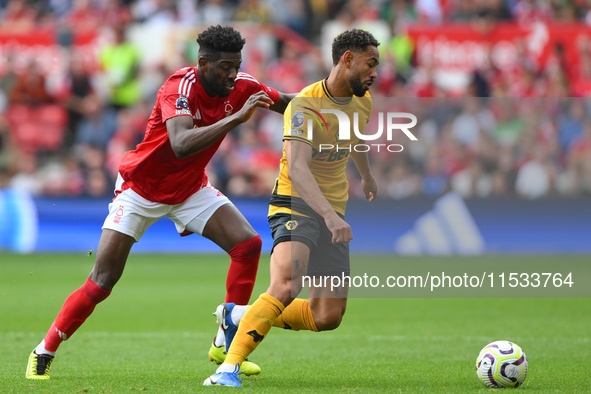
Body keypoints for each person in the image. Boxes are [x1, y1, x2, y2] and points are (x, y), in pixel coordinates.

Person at [25, 25, 293, 380]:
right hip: (141, 190)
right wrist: (235, 118)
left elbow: (289, 104)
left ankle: (226, 344)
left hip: (188, 189)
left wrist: (332, 103)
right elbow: (181, 143)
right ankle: (43, 351)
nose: (233, 74)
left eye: (237, 65)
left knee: (248, 244)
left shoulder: (242, 86)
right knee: (103, 280)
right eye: (226, 67)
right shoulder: (178, 87)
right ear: (203, 63)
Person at [204, 28, 380, 387]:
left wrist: (366, 175)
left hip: (333, 209)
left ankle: (239, 315)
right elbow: (298, 170)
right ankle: (227, 368)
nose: (375, 72)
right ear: (347, 59)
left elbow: (355, 138)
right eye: (370, 63)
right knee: (286, 284)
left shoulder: (363, 101)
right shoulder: (304, 105)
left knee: (328, 314)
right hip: (294, 202)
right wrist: (330, 217)